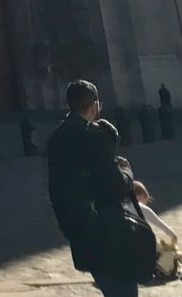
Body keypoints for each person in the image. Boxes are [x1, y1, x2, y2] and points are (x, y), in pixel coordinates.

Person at [47, 80, 154, 297]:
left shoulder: (56, 139)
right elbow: (116, 187)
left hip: (80, 232)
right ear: (94, 105)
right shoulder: (94, 137)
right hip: (110, 233)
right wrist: (127, 172)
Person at [131, 179, 179, 281]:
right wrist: (173, 238)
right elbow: (163, 227)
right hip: (140, 245)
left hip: (121, 243)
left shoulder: (122, 206)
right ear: (140, 196)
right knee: (163, 250)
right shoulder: (143, 209)